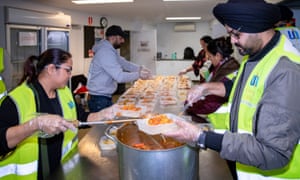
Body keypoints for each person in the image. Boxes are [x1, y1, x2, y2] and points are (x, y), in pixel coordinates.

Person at [164, 0, 300, 179]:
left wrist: (201, 137)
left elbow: (273, 153)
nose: (232, 41)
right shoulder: (254, 57)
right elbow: (241, 88)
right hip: (247, 162)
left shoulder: (286, 71)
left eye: (236, 34)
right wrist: (206, 88)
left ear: (257, 27)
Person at [0, 48, 115, 179]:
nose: (70, 75)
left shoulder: (64, 92)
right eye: (68, 70)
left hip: (61, 172)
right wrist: (34, 125)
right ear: (51, 69)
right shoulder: (16, 100)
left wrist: (101, 115)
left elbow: (79, 117)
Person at [87, 25, 152, 112]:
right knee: (103, 125)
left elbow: (124, 63)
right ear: (113, 37)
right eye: (121, 38)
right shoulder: (105, 52)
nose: (123, 41)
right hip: (99, 99)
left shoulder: (110, 50)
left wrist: (140, 68)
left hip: (103, 96)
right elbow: (120, 77)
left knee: (109, 122)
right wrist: (139, 75)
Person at [186, 36, 240, 127]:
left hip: (221, 122)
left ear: (218, 56)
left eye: (210, 56)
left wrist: (191, 107)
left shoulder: (228, 71)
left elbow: (213, 101)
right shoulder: (223, 66)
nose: (209, 59)